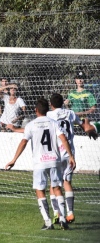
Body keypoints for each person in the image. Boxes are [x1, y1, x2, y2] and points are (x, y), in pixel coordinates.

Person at [5, 98, 76, 230]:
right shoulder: (54, 123)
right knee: (57, 188)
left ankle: (48, 222)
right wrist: (71, 156)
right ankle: (62, 218)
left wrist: (14, 160)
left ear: (35, 110)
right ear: (47, 110)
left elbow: (24, 142)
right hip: (54, 160)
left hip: (40, 163)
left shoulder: (31, 125)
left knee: (40, 190)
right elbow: (63, 138)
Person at [46, 93, 86, 224]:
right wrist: (91, 129)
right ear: (63, 102)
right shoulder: (70, 113)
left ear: (51, 104)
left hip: (55, 152)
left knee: (53, 184)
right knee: (67, 182)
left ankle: (57, 213)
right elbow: (83, 125)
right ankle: (70, 213)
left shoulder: (48, 115)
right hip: (69, 152)